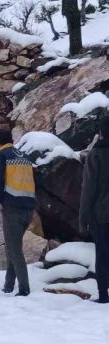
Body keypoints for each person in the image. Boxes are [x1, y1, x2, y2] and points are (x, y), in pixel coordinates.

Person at [0, 130, 37, 296]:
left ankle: (24, 288)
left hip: (12, 207)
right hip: (29, 207)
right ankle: (8, 284)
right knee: (13, 246)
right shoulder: (24, 155)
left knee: (14, 250)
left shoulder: (0, 155)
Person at [79, 122, 109, 304]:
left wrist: (83, 219)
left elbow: (88, 189)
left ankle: (103, 294)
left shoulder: (96, 154)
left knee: (103, 254)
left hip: (101, 214)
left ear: (101, 133)